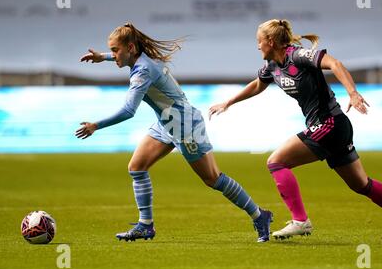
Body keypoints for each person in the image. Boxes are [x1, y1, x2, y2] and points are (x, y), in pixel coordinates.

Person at [209, 19, 382, 243]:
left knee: (276, 162)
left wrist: (352, 93)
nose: (257, 46)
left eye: (259, 41)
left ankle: (300, 220)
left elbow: (335, 64)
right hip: (332, 127)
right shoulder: (271, 67)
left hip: (331, 122)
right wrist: (228, 103)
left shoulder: (299, 56)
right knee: (361, 185)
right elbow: (257, 85)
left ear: (270, 41)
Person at [75, 23, 273, 242]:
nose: (113, 55)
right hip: (166, 122)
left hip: (184, 125)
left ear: (131, 47)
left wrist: (95, 126)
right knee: (136, 167)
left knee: (213, 179)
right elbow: (122, 57)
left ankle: (259, 215)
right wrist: (102, 57)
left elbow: (128, 111)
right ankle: (145, 225)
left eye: (115, 50)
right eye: (111, 50)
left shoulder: (142, 72)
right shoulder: (140, 58)